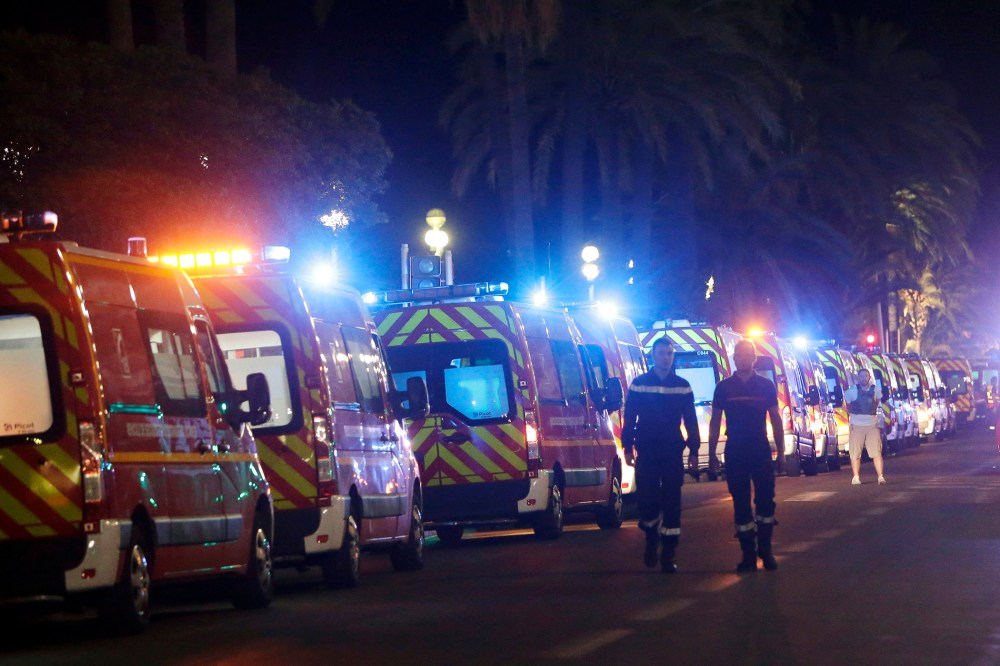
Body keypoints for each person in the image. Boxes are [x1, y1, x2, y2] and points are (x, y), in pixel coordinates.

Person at [621, 338, 700, 573]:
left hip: (671, 451)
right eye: (662, 353)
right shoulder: (639, 384)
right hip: (646, 450)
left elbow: (691, 420)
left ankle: (668, 553)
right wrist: (627, 447)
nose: (666, 357)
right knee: (647, 499)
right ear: (652, 356)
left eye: (669, 353)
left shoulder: (683, 386)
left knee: (672, 500)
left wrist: (694, 449)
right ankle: (651, 536)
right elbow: (630, 418)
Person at [707, 339, 783, 573]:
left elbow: (776, 419)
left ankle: (766, 549)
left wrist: (780, 452)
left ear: (753, 358)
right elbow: (716, 421)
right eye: (738, 355)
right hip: (736, 450)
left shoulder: (766, 386)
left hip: (759, 448)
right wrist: (711, 454)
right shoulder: (723, 387)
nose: (742, 359)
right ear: (734, 358)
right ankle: (748, 555)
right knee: (740, 503)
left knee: (765, 500)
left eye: (746, 355)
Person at [845, 368, 885, 485]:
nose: (864, 378)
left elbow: (877, 402)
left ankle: (880, 476)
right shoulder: (852, 391)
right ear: (858, 377)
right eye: (861, 376)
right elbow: (847, 405)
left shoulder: (875, 390)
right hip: (857, 425)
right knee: (855, 452)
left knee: (876, 452)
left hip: (872, 425)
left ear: (869, 378)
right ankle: (856, 477)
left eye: (866, 376)